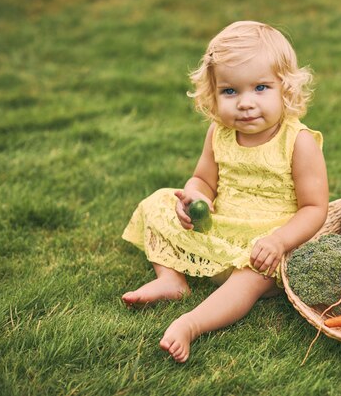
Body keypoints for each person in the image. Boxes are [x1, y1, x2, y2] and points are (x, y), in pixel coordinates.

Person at [121, 21, 329, 363]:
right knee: (157, 202)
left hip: (269, 243)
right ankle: (171, 280)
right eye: (230, 91)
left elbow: (314, 208)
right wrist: (196, 198)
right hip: (222, 228)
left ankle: (191, 324)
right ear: (212, 95)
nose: (245, 103)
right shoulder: (219, 133)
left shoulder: (299, 142)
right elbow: (202, 180)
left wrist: (278, 242)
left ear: (285, 90)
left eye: (260, 88)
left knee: (249, 276)